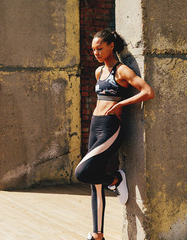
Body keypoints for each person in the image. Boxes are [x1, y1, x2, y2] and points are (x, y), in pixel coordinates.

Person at [74, 30, 155, 240]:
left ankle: (116, 178)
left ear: (111, 46)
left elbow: (148, 92)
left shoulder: (122, 71)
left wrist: (121, 103)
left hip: (111, 128)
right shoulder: (99, 72)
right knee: (95, 183)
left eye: (99, 48)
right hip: (95, 125)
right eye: (93, 49)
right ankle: (97, 235)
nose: (96, 53)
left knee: (82, 172)